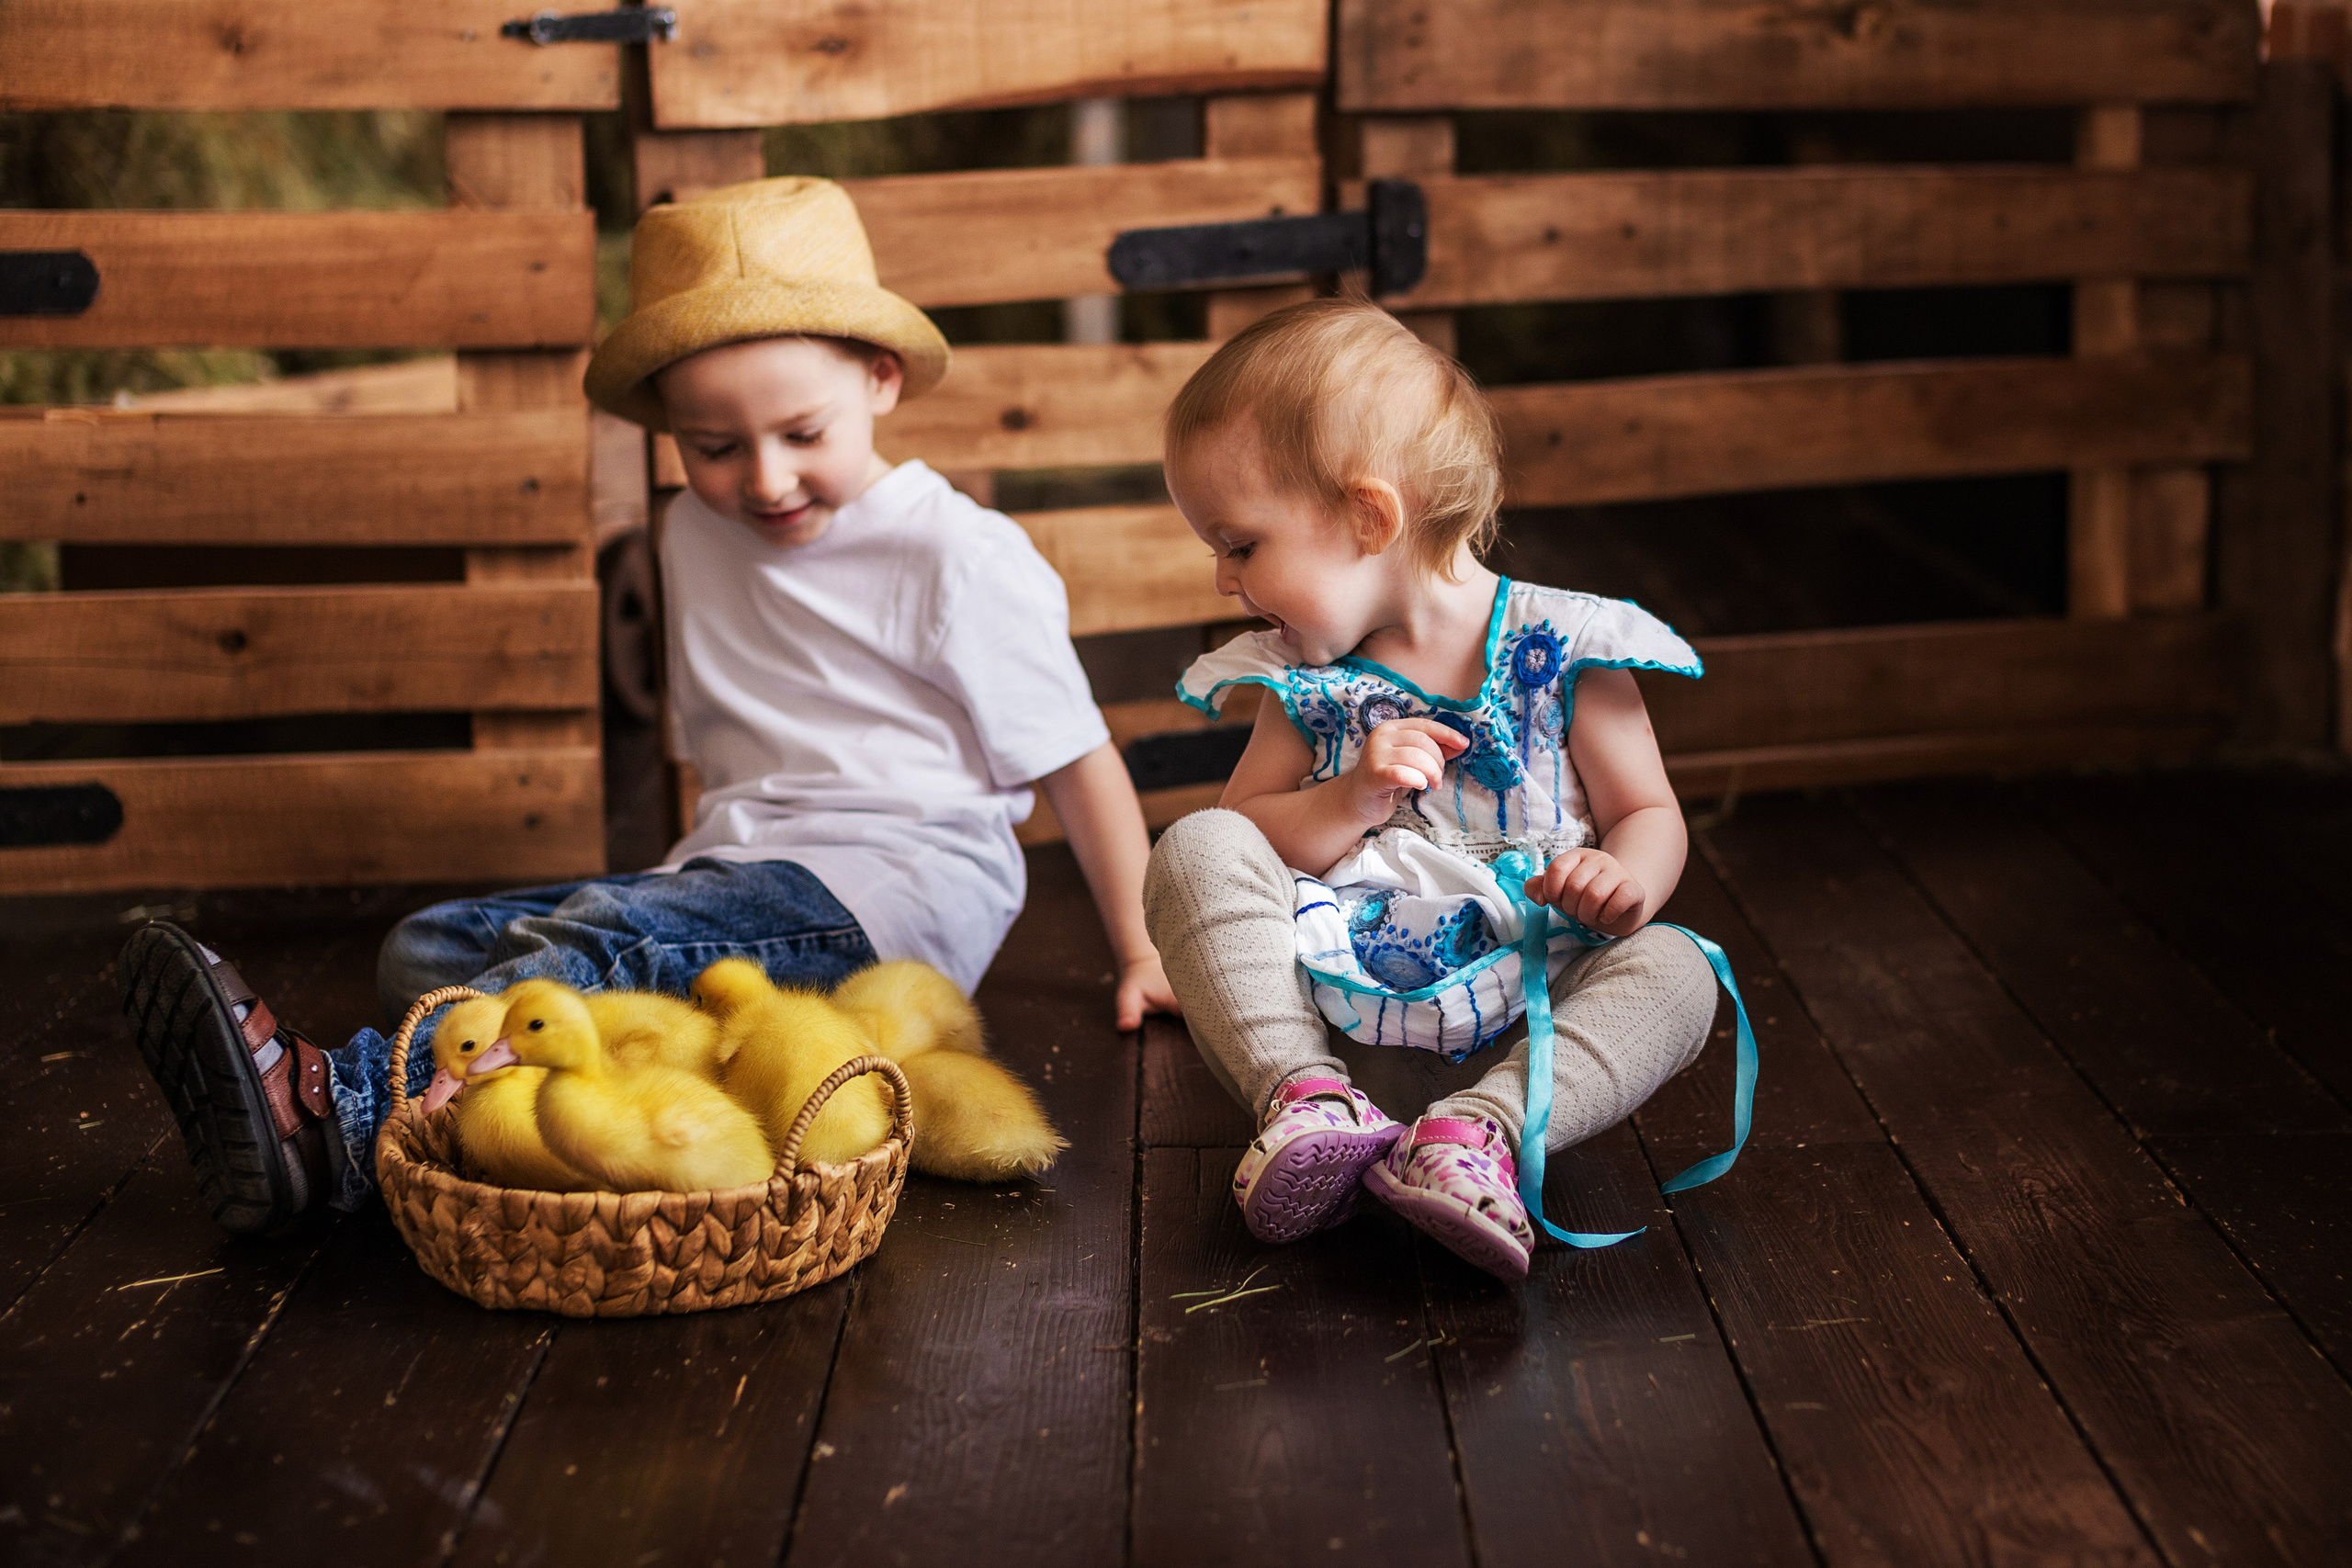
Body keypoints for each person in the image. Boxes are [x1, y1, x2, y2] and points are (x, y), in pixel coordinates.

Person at [120, 176, 1176, 1235]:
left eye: (804, 433)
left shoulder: (956, 555)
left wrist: (1142, 949)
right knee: (428, 951)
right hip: (737, 875)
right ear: (672, 426)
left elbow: (1076, 758)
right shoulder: (692, 534)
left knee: (613, 950)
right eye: (714, 447)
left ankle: (331, 1122)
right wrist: (673, 900)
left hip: (890, 889)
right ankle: (592, 1093)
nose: (766, 479)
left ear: (881, 379)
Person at [1143, 298, 1750, 1282]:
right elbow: (1247, 833)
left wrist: (1623, 880)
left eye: (1240, 545)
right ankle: (1306, 1098)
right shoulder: (1305, 682)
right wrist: (1349, 797)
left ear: (1369, 515)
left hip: (1529, 996)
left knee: (1680, 971)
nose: (1221, 579)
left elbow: (1646, 812)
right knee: (1195, 847)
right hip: (1337, 990)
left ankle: (1479, 1134)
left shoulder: (1568, 650)